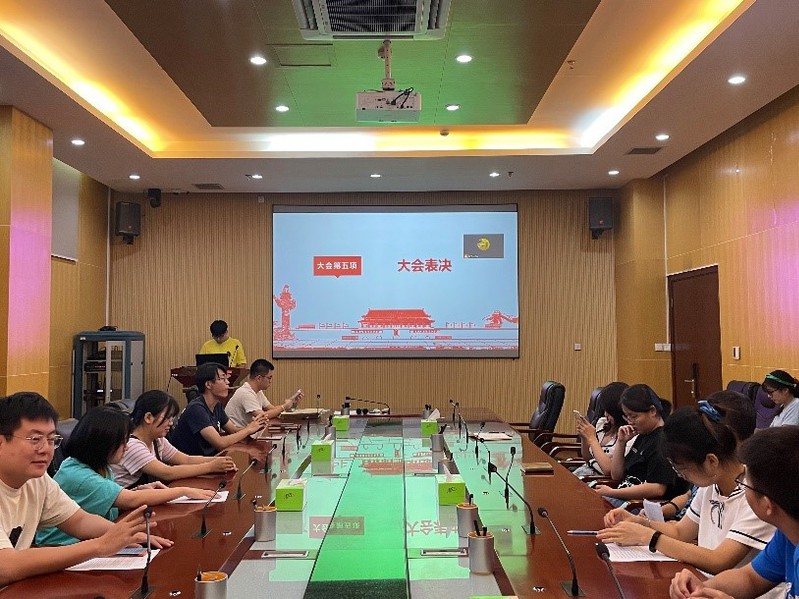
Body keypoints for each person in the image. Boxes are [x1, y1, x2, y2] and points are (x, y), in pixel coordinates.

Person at [600, 392, 783, 594]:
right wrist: (641, 523)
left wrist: (649, 537)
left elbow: (719, 560)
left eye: (682, 469)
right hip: (706, 584)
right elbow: (681, 532)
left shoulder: (755, 494)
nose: (682, 476)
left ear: (711, 461)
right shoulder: (711, 484)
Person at [0, 392, 173, 586]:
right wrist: (99, 545)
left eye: (51, 439)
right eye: (35, 439)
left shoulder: (38, 481)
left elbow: (79, 520)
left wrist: (124, 534)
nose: (45, 449)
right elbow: (6, 567)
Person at [36, 406, 217, 546]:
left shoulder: (99, 466)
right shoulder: (79, 475)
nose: (127, 447)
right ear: (104, 443)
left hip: (92, 539)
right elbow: (130, 500)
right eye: (122, 441)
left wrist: (138, 490)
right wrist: (182, 491)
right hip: (62, 546)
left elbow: (114, 499)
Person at [669, 425, 799, 599]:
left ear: (767, 505)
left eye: (746, 484)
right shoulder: (787, 535)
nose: (742, 486)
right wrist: (701, 588)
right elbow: (749, 578)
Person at [110, 390, 237, 488]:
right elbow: (167, 473)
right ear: (148, 417)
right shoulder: (132, 445)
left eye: (172, 418)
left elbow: (186, 459)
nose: (171, 423)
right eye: (167, 418)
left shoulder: (157, 440)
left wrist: (220, 461)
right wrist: (210, 467)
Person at [594, 384, 688, 505]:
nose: (630, 422)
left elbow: (657, 488)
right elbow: (616, 475)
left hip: (639, 504)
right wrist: (621, 443)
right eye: (627, 416)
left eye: (634, 416)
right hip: (624, 498)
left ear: (652, 411)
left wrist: (612, 492)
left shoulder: (663, 441)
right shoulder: (643, 435)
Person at [169, 362, 268, 456]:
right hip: (190, 464)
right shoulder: (196, 409)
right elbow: (220, 443)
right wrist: (248, 429)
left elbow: (233, 430)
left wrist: (254, 427)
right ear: (208, 384)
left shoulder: (217, 405)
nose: (228, 382)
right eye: (223, 379)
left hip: (210, 458)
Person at [573, 382, 631, 478]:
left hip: (599, 479)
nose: (605, 415)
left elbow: (608, 470)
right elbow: (588, 459)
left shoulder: (628, 434)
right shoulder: (602, 423)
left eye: (609, 412)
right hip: (585, 471)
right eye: (605, 410)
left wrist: (592, 439)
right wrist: (584, 438)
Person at [225, 359, 303, 429]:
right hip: (237, 435)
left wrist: (291, 405)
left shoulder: (258, 391)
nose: (270, 381)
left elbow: (272, 409)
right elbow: (262, 416)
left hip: (248, 433)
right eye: (269, 378)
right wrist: (284, 407)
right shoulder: (245, 393)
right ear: (259, 378)